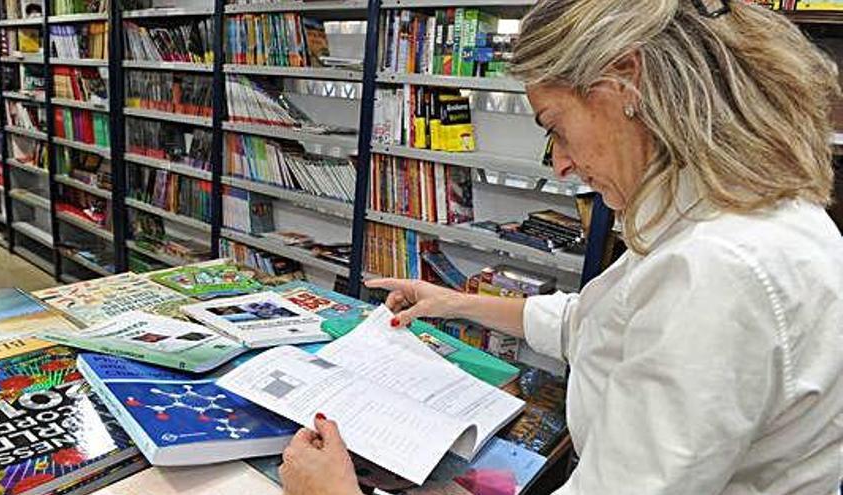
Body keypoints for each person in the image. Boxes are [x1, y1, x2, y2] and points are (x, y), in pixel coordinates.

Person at [278, 1, 843, 494]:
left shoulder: (719, 270)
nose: (562, 164)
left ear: (626, 82)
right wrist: (453, 303)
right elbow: (602, 322)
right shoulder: (738, 214)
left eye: (557, 126)